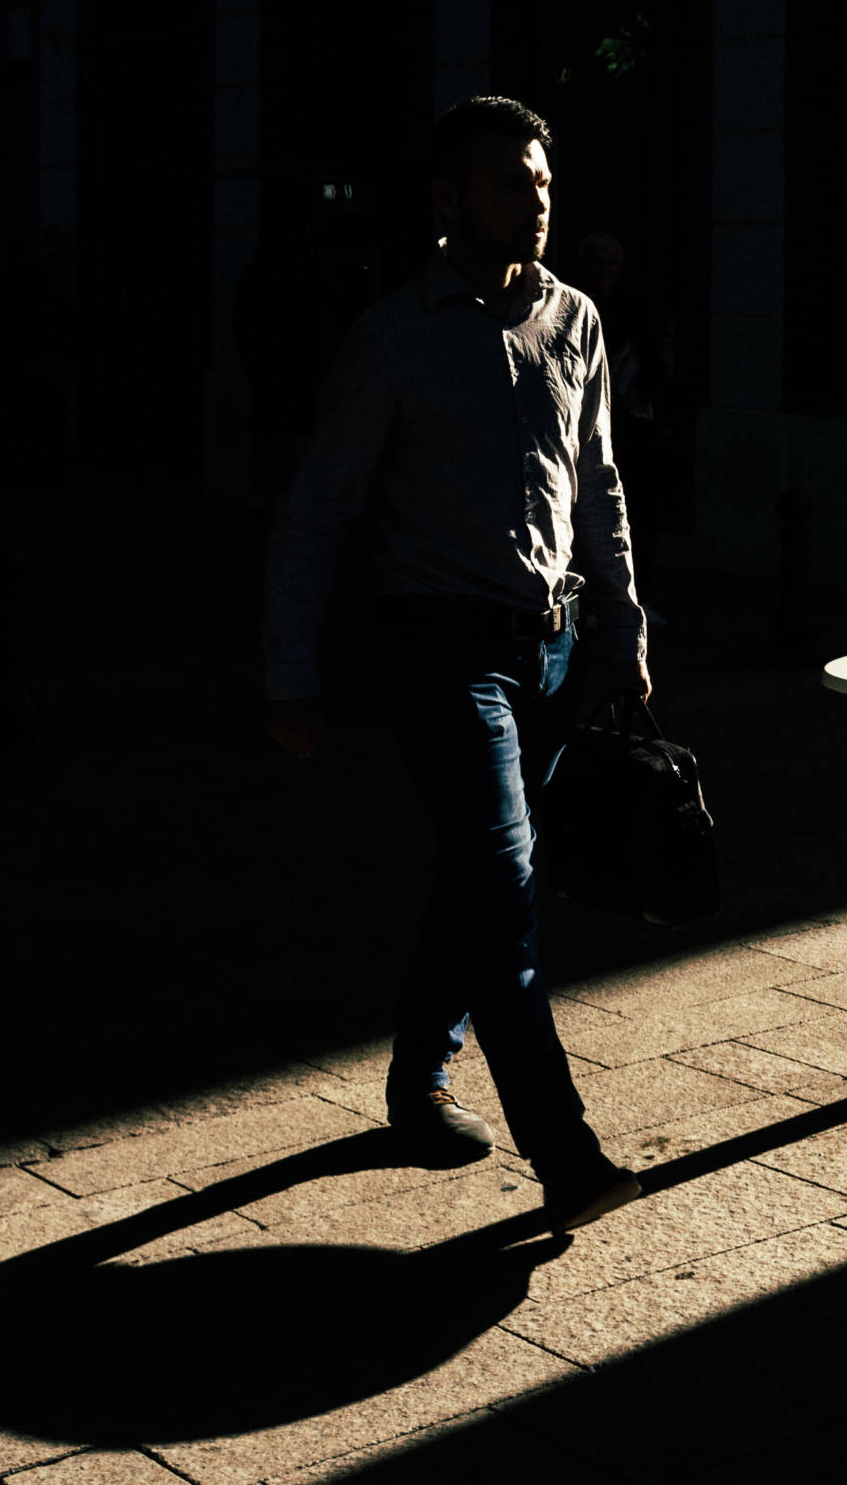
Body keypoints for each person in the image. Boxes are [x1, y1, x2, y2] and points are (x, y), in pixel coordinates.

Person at [260, 95, 649, 1233]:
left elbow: (600, 485)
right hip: (439, 648)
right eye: (510, 183)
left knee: (483, 874)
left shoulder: (574, 318)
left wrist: (625, 627)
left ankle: (416, 1079)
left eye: (542, 182)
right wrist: (288, 669)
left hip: (554, 645)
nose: (536, 200)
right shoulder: (395, 336)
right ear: (447, 199)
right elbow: (316, 510)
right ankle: (569, 1158)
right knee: (505, 886)